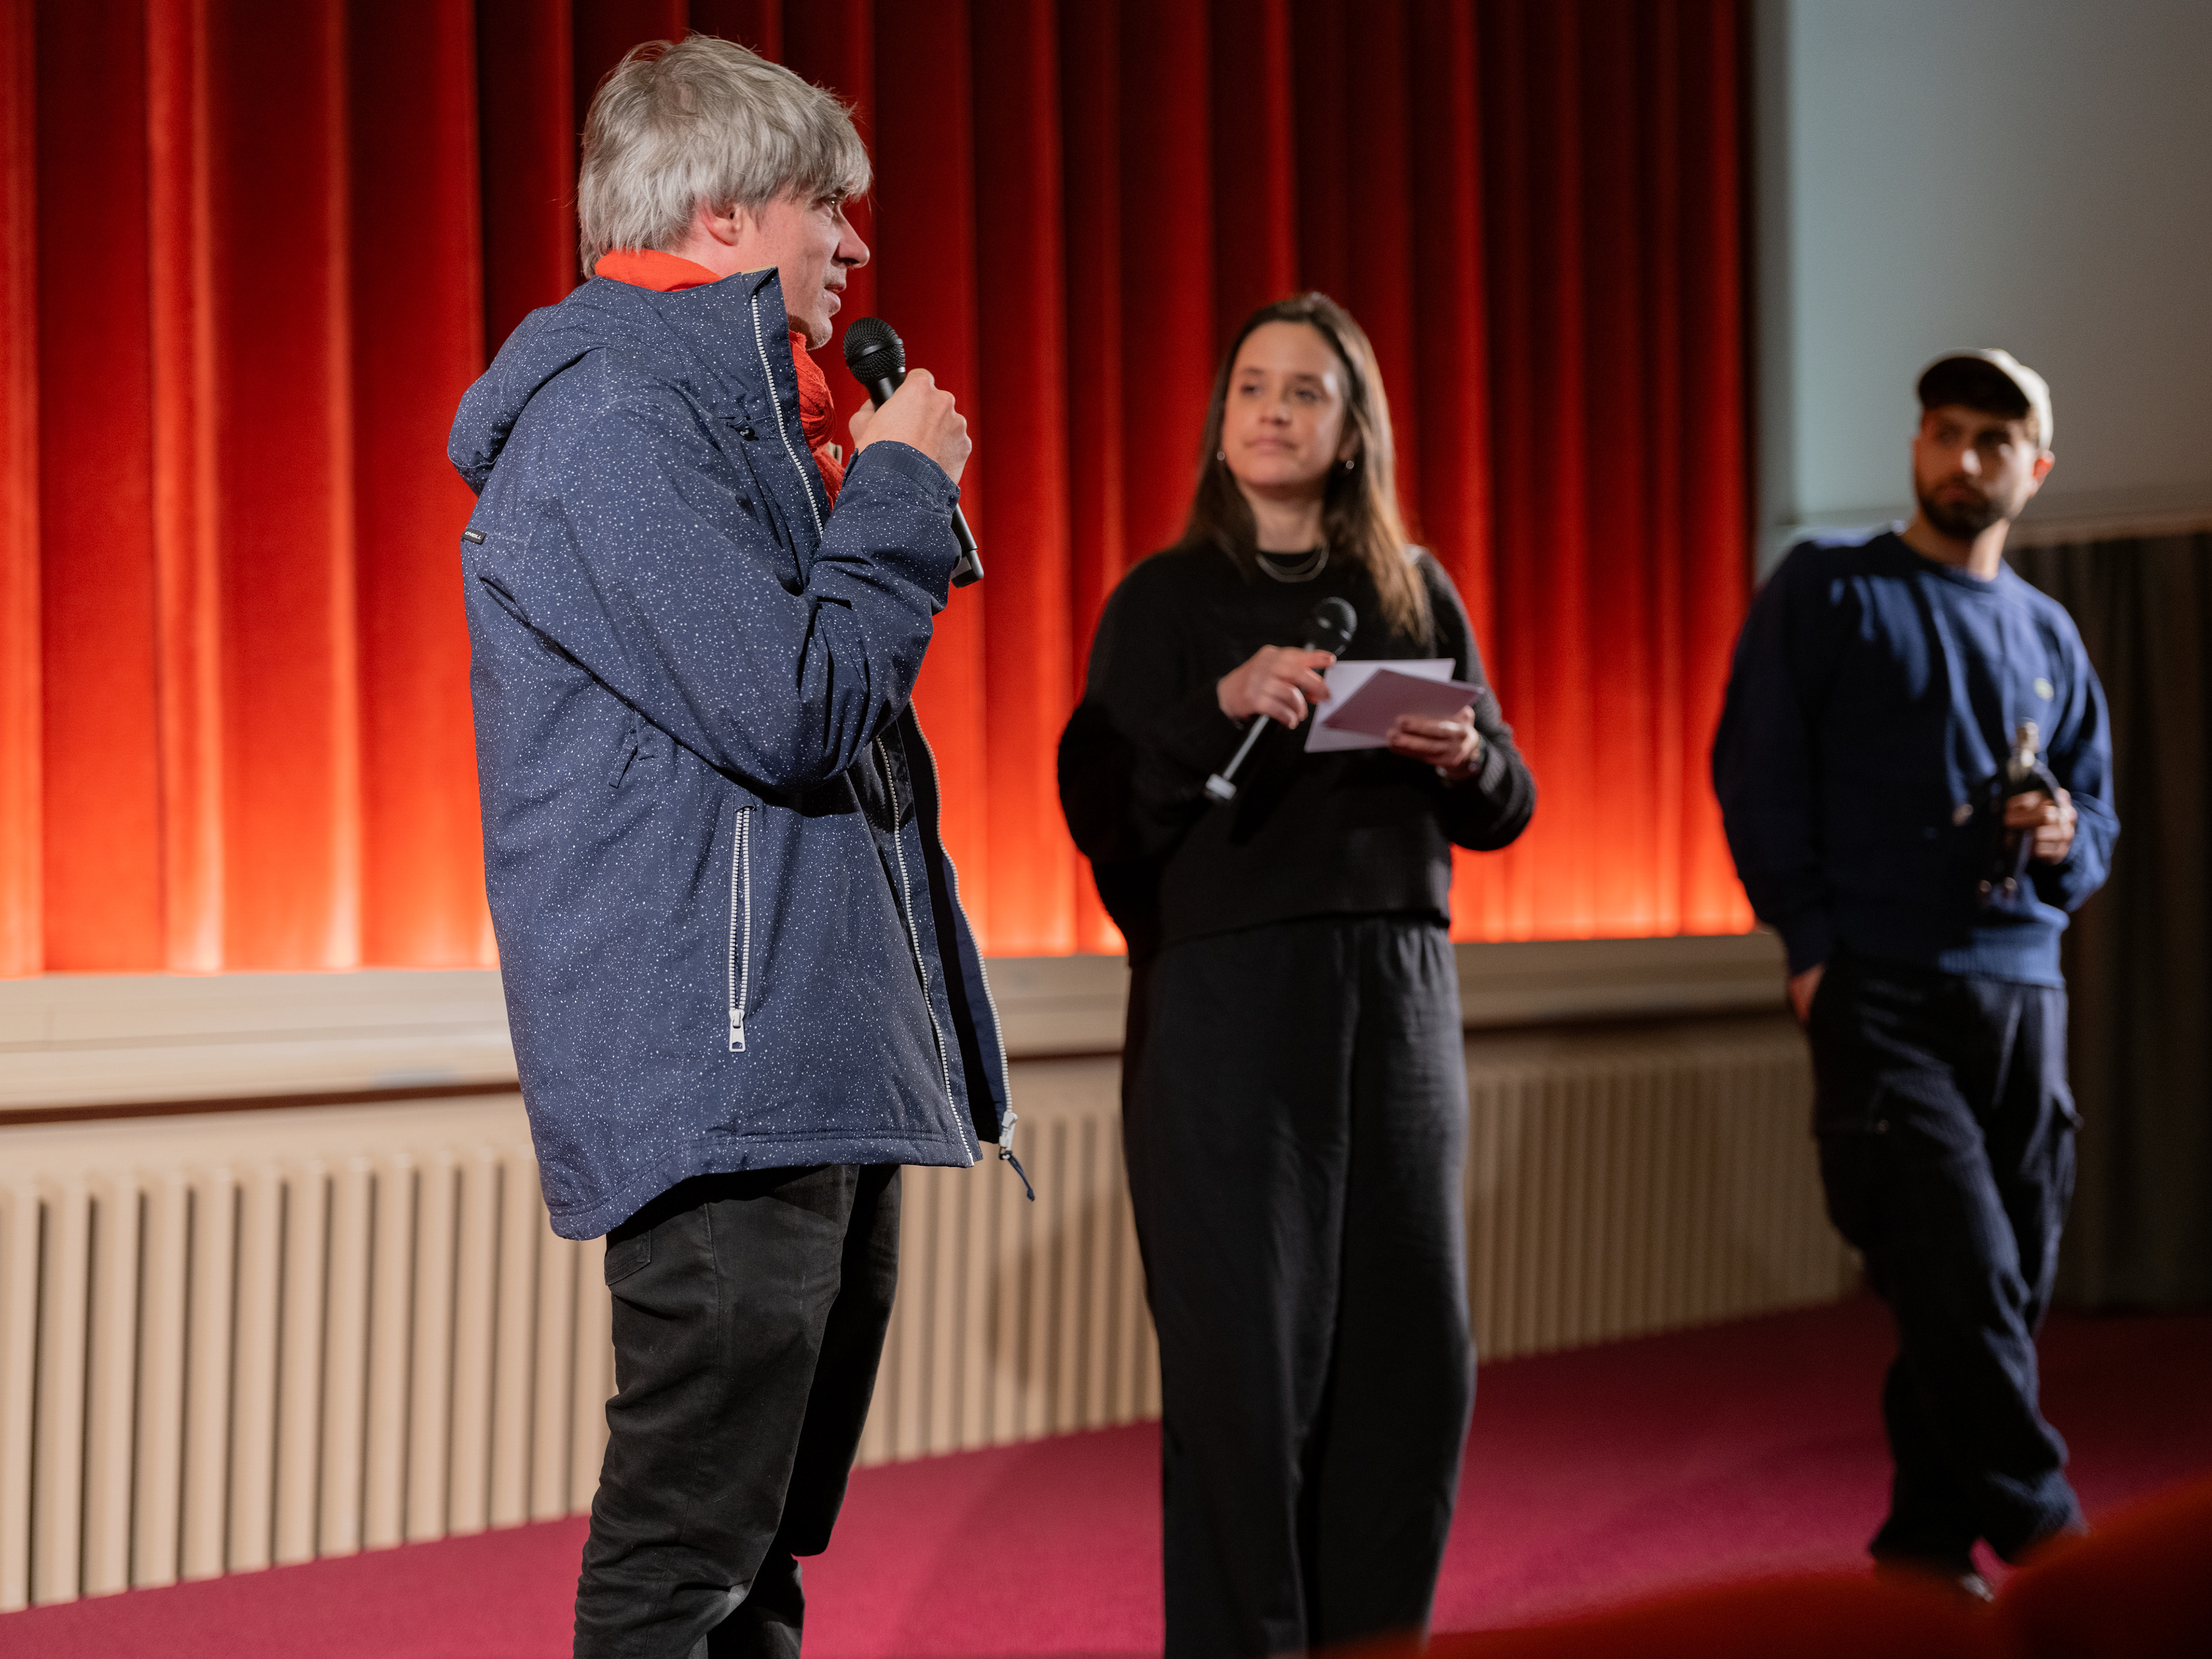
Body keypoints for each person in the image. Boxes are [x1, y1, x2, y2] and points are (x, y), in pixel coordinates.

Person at [448, 37, 1016, 1659]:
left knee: (759, 1558)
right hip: (721, 1077)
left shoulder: (741, 428)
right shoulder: (610, 423)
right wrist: (896, 492)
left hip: (801, 1055)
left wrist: (867, 487)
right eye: (826, 205)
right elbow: (793, 709)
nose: (854, 243)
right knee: (687, 1557)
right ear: (717, 214)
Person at [1058, 293, 1536, 1658]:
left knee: (1411, 1363)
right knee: (1244, 1382)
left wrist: (1466, 755)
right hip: (1227, 1009)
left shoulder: (1413, 590)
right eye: (1252, 388)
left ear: (1352, 430)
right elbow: (1096, 804)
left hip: (1396, 998)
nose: (1272, 411)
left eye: (1305, 391)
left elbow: (1508, 801)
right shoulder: (1164, 600)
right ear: (1222, 424)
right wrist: (1220, 701)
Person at [1713, 349, 2117, 1597]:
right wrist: (1811, 953)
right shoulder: (1830, 588)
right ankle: (2059, 1545)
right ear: (1916, 446)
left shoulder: (2050, 633)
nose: (1963, 457)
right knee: (1961, 1270)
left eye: (1994, 440)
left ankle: (1924, 1552)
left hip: (2025, 995)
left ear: (2035, 470)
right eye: (1943, 431)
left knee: (1999, 1287)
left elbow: (2098, 818)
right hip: (1880, 988)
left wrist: (2065, 838)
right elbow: (1758, 773)